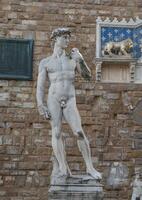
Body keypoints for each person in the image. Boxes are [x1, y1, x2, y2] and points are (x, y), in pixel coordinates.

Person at [36, 27, 102, 180]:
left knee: (78, 132)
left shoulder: (72, 58)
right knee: (57, 132)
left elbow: (87, 76)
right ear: (55, 39)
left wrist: (81, 59)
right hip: (53, 99)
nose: (67, 40)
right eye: (64, 37)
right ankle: (63, 168)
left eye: (68, 37)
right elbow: (40, 86)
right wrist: (40, 105)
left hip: (70, 99)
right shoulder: (45, 62)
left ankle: (90, 168)